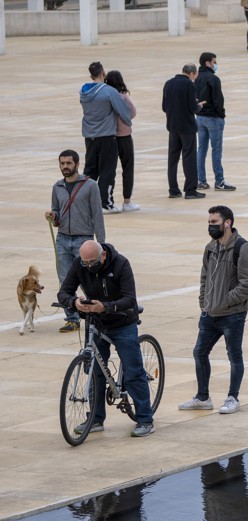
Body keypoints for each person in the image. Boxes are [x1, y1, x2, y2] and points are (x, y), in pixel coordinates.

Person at [57, 240, 154, 438]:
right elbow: (63, 292)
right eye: (85, 262)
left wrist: (106, 307)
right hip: (95, 322)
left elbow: (130, 299)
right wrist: (73, 302)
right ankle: (95, 418)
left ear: (102, 256)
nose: (88, 266)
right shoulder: (79, 264)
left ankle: (145, 419)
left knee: (134, 370)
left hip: (122, 322)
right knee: (94, 372)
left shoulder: (121, 264)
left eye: (92, 262)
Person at [179, 205, 248, 415]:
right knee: (199, 352)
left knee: (234, 356)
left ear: (227, 223)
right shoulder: (210, 248)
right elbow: (204, 277)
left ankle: (233, 398)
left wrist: (227, 300)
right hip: (209, 313)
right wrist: (203, 300)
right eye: (208, 223)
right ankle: (202, 397)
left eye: (214, 223)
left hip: (232, 315)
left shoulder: (243, 248)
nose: (210, 226)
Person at [45, 150, 106, 333]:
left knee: (89, 280)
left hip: (84, 239)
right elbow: (57, 213)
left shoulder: (90, 186)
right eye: (62, 163)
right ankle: (71, 318)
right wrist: (53, 215)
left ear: (77, 164)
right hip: (63, 239)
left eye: (68, 163)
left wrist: (102, 244)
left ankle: (95, 312)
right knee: (65, 281)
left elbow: (97, 215)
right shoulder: (57, 187)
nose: (65, 166)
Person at [80, 61, 134, 213]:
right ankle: (106, 203)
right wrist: (128, 121)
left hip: (89, 135)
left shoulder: (83, 91)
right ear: (102, 72)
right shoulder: (109, 91)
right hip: (106, 135)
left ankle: (83, 201)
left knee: (90, 169)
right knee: (107, 171)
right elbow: (123, 111)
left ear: (91, 74)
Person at [195, 52, 236, 192]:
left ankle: (201, 180)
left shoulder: (196, 77)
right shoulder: (213, 78)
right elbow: (218, 100)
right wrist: (221, 115)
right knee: (216, 150)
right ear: (208, 63)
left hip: (199, 116)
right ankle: (219, 181)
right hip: (213, 117)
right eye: (214, 62)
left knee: (201, 149)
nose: (215, 64)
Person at [162, 64, 203, 200]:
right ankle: (190, 190)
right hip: (187, 127)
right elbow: (193, 108)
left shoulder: (168, 83)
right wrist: (199, 105)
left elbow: (164, 107)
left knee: (172, 159)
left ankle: (173, 189)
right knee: (189, 158)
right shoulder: (189, 85)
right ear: (192, 74)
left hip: (173, 126)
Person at [103, 71, 139, 212]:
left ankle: (108, 199)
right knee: (127, 168)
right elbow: (133, 113)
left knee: (109, 170)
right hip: (124, 136)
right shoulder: (123, 98)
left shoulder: (105, 96)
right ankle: (127, 201)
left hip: (109, 135)